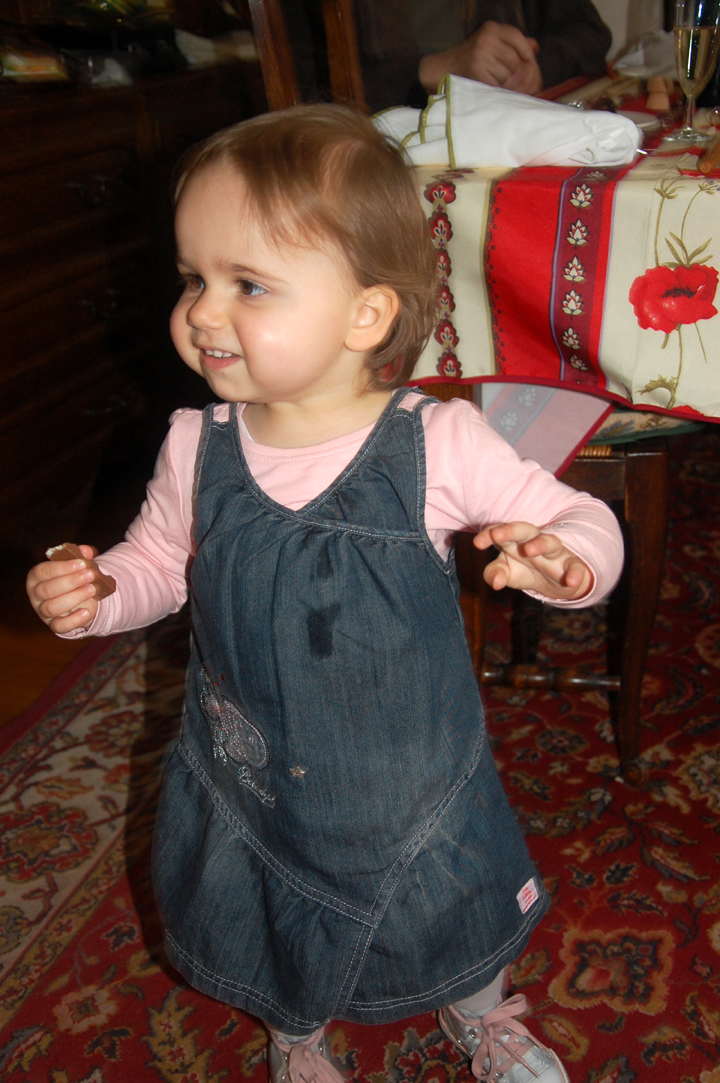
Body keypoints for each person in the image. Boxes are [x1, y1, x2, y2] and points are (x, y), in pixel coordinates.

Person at [27, 104, 622, 1083]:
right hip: (255, 771)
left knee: (450, 907)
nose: (202, 312)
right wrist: (100, 591)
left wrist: (568, 559)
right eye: (193, 279)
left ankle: (482, 1008)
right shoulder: (196, 446)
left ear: (365, 315)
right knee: (270, 913)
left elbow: (580, 516)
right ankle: (296, 1031)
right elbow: (158, 564)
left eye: (248, 284)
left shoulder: (436, 444)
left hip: (411, 781)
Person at [354, 0, 613, 110]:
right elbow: (330, 95)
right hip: (383, 165)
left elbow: (590, 33)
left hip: (511, 139)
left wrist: (534, 66)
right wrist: (433, 70)